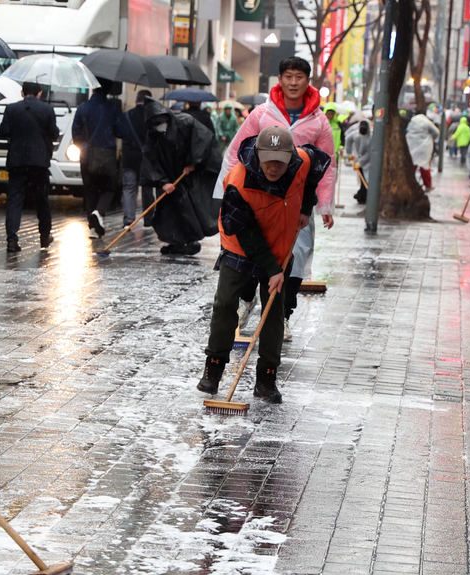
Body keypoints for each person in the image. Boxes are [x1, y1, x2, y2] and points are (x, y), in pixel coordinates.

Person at [197, 127, 331, 404]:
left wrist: (307, 206)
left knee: (273, 312)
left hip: (281, 244)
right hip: (240, 245)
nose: (274, 167)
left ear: (290, 156)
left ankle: (267, 378)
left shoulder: (302, 162)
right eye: (268, 159)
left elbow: (318, 165)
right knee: (225, 304)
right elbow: (245, 232)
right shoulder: (238, 182)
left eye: (280, 160)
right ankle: (214, 368)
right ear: (257, 153)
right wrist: (272, 269)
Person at [216, 57, 335, 341]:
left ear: (308, 82)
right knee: (247, 253)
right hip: (259, 197)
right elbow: (235, 152)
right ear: (280, 80)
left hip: (297, 203)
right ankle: (248, 300)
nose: (293, 82)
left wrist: (324, 203)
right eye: (288, 76)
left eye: (299, 77)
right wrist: (226, 193)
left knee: (294, 258)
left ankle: (282, 315)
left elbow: (326, 165)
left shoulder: (319, 122)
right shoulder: (261, 115)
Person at [140, 100, 220, 255]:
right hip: (169, 175)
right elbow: (151, 159)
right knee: (169, 212)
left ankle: (189, 240)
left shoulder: (186, 122)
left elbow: (202, 139)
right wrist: (162, 182)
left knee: (188, 208)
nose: (161, 125)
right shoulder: (154, 134)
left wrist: (194, 161)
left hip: (188, 174)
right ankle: (176, 241)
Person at [0, 81, 58, 251]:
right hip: (39, 162)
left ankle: (12, 238)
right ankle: (45, 236)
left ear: (22, 93)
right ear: (40, 93)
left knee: (15, 200)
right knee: (42, 200)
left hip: (17, 161)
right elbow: (54, 133)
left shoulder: (11, 109)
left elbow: (3, 131)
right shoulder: (47, 110)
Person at [71, 79, 133, 239]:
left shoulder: (82, 108)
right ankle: (99, 212)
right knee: (109, 188)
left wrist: (84, 144)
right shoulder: (113, 107)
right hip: (106, 155)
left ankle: (92, 228)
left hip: (86, 156)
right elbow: (123, 131)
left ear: (93, 90)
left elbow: (75, 132)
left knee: (90, 191)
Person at [121, 91, 157, 228]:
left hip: (129, 158)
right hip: (147, 158)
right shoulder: (152, 117)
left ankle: (128, 220)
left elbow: (122, 134)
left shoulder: (127, 116)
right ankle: (148, 219)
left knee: (129, 188)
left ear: (136, 101)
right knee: (147, 189)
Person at [406, 110, 439, 191]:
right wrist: (433, 138)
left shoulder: (412, 122)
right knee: (425, 166)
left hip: (412, 145)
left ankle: (409, 183)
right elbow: (436, 132)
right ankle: (428, 185)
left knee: (412, 165)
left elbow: (407, 131)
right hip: (425, 146)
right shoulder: (427, 122)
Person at [343, 119, 371, 203]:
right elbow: (348, 139)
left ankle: (363, 194)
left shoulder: (371, 138)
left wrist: (360, 162)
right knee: (363, 179)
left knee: (367, 179)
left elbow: (370, 152)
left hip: (368, 162)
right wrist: (349, 153)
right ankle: (362, 195)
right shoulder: (355, 135)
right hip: (358, 159)